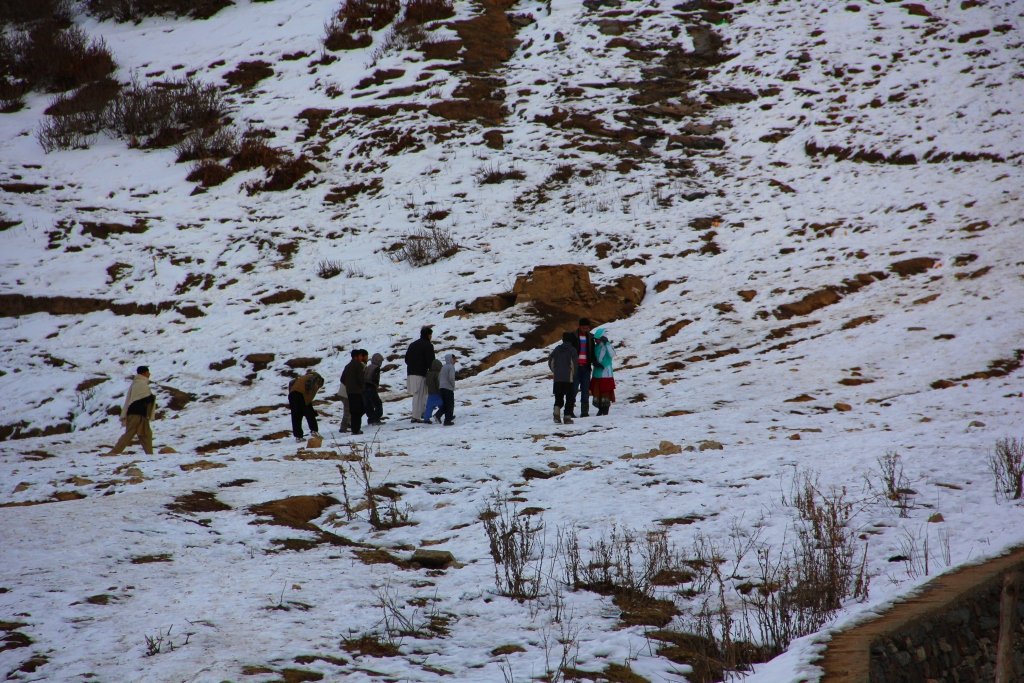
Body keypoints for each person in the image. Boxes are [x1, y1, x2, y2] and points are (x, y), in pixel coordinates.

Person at [106, 365, 157, 455]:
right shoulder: (140, 384)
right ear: (144, 373)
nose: (149, 374)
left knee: (146, 434)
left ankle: (150, 454)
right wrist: (152, 397)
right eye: (148, 372)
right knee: (129, 434)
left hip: (141, 414)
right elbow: (143, 398)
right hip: (136, 414)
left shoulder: (138, 383)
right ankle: (114, 452)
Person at [405, 325, 435, 422]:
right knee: (420, 394)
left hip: (410, 372)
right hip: (421, 373)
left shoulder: (412, 344)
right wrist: (432, 371)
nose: (431, 337)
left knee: (418, 394)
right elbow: (431, 361)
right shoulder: (428, 345)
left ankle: (421, 413)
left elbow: (406, 359)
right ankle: (416, 416)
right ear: (428, 335)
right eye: (431, 335)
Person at [548, 332, 577, 424]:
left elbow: (551, 361)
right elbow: (574, 365)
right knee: (570, 398)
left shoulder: (557, 349)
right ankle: (567, 418)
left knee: (558, 397)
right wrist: (573, 374)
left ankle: (556, 415)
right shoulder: (572, 350)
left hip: (558, 378)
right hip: (568, 378)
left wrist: (555, 371)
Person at [287, 370, 324, 443]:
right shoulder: (315, 378)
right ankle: (314, 431)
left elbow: (291, 383)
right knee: (309, 413)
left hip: (292, 395)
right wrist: (308, 405)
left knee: (296, 416)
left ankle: (298, 436)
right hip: (301, 395)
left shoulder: (301, 377)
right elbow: (309, 391)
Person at [570, 317, 596, 417]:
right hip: (575, 368)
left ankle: (584, 412)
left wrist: (594, 361)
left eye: (587, 328)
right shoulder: (573, 336)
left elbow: (592, 352)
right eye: (584, 328)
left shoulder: (590, 337)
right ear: (580, 327)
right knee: (573, 389)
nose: (586, 329)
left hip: (586, 367)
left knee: (585, 390)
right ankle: (570, 410)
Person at [590, 328, 616, 416]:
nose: (596, 341)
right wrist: (594, 362)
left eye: (597, 339)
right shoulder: (596, 346)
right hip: (597, 373)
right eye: (595, 339)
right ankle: (600, 409)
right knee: (597, 392)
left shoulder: (607, 346)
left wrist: (607, 343)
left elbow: (612, 354)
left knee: (605, 392)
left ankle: (605, 410)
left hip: (606, 374)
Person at [341, 349, 367, 435]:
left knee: (353, 411)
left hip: (349, 392)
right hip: (357, 392)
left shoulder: (347, 366)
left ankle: (354, 429)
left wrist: (349, 385)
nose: (361, 357)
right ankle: (356, 430)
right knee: (358, 411)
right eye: (360, 356)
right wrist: (362, 387)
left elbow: (342, 379)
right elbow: (361, 379)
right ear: (356, 357)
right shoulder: (358, 365)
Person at [364, 352, 385, 425]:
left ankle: (371, 419)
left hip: (364, 388)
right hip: (371, 387)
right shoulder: (376, 368)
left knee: (369, 404)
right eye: (381, 361)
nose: (381, 363)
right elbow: (374, 379)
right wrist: (375, 385)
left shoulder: (368, 366)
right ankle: (376, 418)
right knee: (378, 403)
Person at [422, 359, 444, 423]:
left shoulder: (428, 373)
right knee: (444, 405)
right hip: (437, 393)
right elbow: (438, 384)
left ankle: (426, 419)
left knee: (429, 407)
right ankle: (448, 415)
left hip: (430, 393)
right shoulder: (437, 374)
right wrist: (441, 391)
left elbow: (426, 383)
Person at [438, 353, 457, 426]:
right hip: (448, 388)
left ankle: (438, 415)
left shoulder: (443, 367)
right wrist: (453, 386)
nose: (455, 360)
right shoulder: (451, 367)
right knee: (450, 404)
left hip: (441, 388)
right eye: (454, 359)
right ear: (451, 359)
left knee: (446, 404)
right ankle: (447, 421)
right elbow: (451, 378)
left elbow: (439, 377)